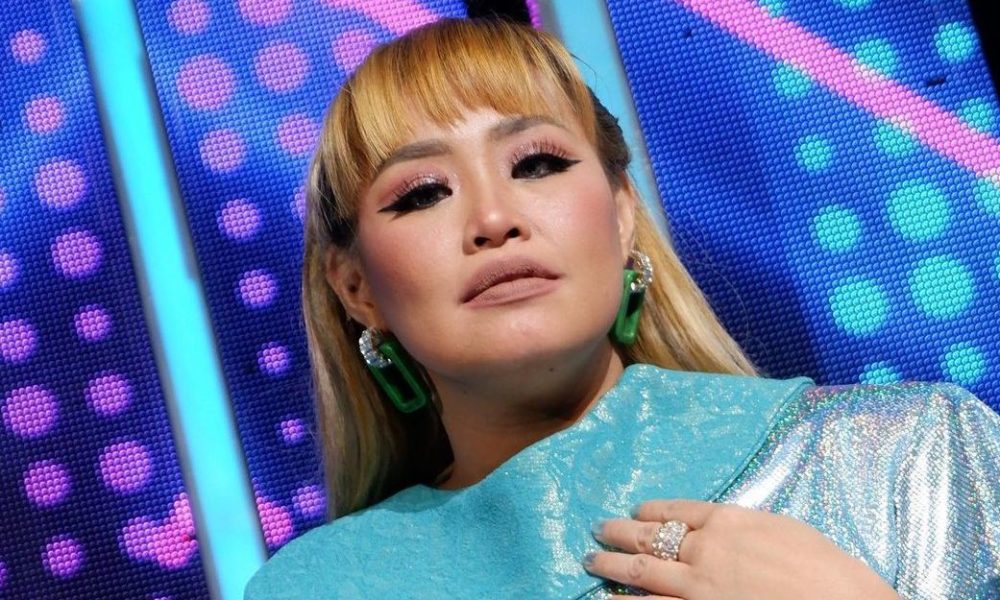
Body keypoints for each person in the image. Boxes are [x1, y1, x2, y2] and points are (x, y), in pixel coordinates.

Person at [244, 17, 1000, 599]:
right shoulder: (315, 589)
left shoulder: (913, 455)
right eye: (421, 194)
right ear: (356, 288)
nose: (494, 220)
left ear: (621, 213)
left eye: (538, 163)